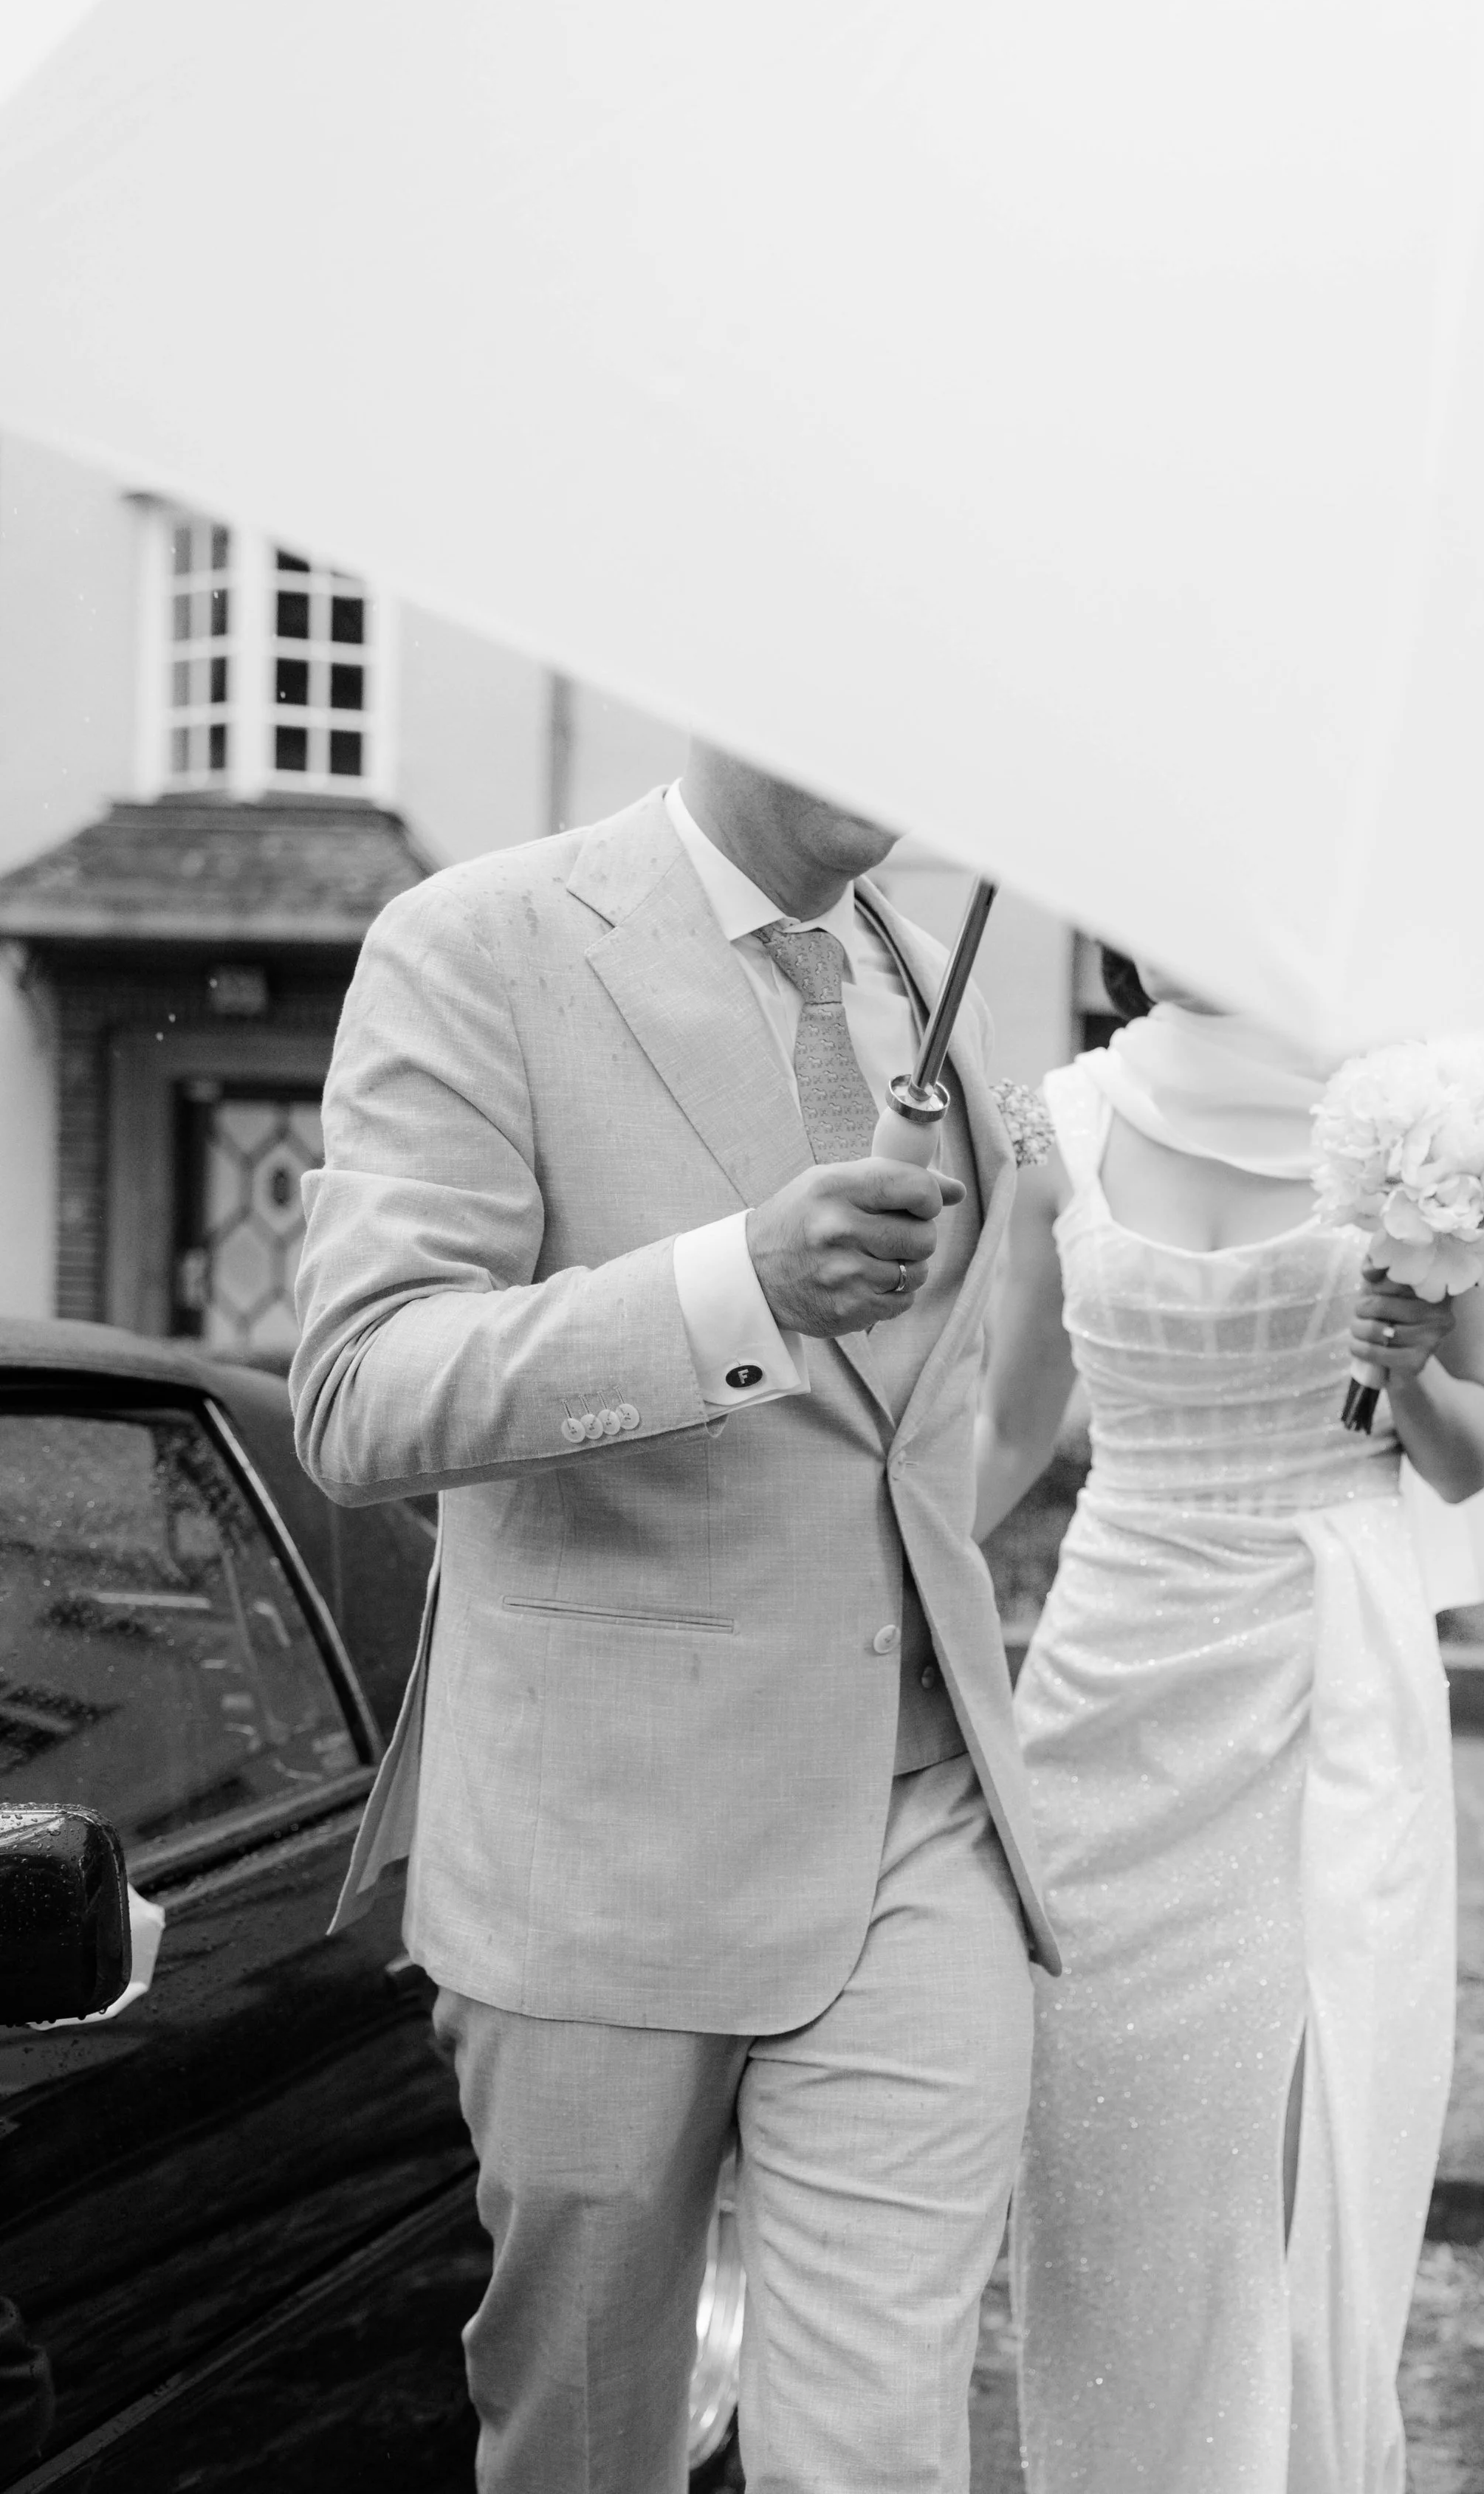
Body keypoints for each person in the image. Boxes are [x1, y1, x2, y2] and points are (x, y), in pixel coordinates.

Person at [290, 748, 1056, 2494]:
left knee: (871, 2446)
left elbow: (921, 1433)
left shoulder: (929, 982)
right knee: (584, 2440)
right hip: (603, 1851)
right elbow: (358, 1390)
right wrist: (734, 1286)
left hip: (915, 1819)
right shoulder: (473, 942)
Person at [977, 955, 1484, 2494]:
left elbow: (1465, 1453)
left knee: (1280, 2137)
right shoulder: (1059, 1117)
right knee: (1098, 2142)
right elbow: (1006, 1417)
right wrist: (873, 1587)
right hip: (1108, 1675)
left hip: (1322, 1670)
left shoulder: (1416, 1122)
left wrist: (1402, 1375)